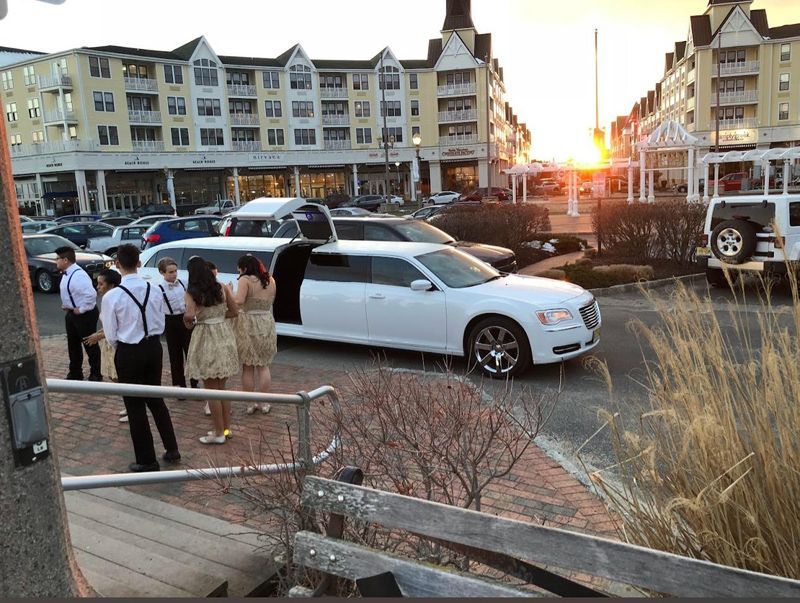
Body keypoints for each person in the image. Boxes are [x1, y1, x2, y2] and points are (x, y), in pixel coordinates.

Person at [101, 244, 180, 472]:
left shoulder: (112, 296)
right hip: (153, 347)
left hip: (129, 350)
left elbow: (110, 334)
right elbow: (161, 320)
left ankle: (146, 460)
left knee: (134, 405)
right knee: (156, 398)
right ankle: (172, 449)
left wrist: (124, 345)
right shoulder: (154, 289)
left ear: (117, 264)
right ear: (139, 263)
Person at [184, 256, 240, 444]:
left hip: (206, 337)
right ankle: (226, 429)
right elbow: (234, 311)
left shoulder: (192, 292)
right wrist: (219, 317)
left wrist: (191, 320)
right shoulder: (222, 287)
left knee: (211, 390)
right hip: (223, 334)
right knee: (222, 388)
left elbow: (190, 316)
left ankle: (218, 433)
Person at [234, 255, 277, 415]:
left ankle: (250, 403)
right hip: (266, 321)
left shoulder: (245, 280)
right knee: (263, 365)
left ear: (244, 267)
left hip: (249, 323)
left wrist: (228, 294)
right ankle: (264, 402)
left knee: (247, 366)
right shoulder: (270, 280)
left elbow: (239, 300)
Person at [83, 269, 127, 423]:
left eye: (101, 284)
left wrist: (98, 336)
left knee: (120, 376)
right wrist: (99, 334)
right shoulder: (107, 299)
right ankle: (128, 404)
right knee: (113, 375)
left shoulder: (115, 299)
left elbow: (117, 326)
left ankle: (132, 405)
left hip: (116, 343)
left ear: (111, 285)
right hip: (108, 342)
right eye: (98, 284)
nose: (98, 287)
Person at [55, 246, 102, 381]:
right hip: (71, 314)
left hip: (85, 315)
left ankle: (96, 374)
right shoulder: (67, 273)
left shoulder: (78, 275)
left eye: (57, 259)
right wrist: (67, 305)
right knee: (73, 344)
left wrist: (80, 309)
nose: (56, 261)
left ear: (65, 260)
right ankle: (75, 372)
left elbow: (91, 295)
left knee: (89, 344)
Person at [157, 257, 199, 393]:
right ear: (162, 273)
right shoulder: (159, 289)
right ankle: (179, 386)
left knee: (191, 352)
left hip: (186, 318)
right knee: (175, 355)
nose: (174, 274)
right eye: (170, 272)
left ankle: (194, 383)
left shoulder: (183, 283)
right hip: (171, 321)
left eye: (175, 271)